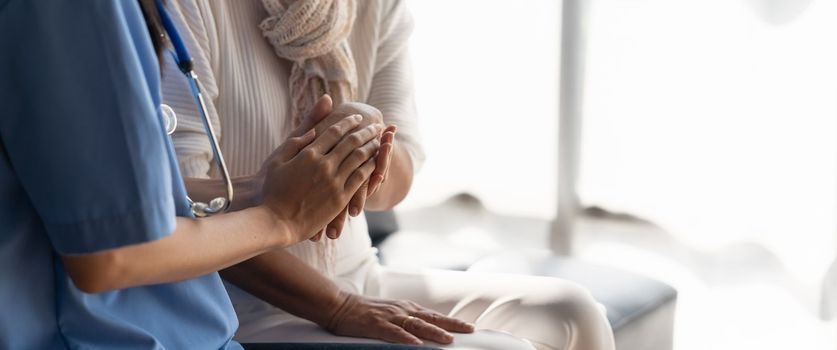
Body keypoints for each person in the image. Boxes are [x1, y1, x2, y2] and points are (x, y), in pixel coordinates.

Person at [162, 1, 616, 349]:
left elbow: (398, 180)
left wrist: (364, 139)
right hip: (247, 307)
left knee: (576, 313)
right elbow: (183, 202)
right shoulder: (190, 9)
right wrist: (339, 307)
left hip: (362, 276)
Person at [0, 0, 392, 348]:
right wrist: (279, 218)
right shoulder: (81, 10)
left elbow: (108, 193)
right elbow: (113, 255)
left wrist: (260, 187)